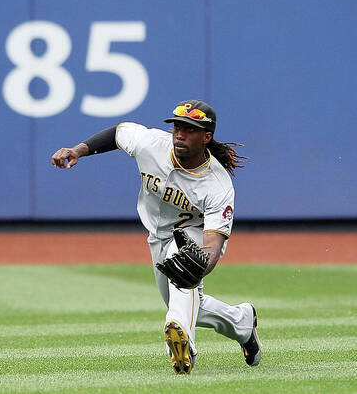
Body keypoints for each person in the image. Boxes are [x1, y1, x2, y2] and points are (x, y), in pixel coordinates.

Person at [51, 100, 261, 374]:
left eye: (190, 129)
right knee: (182, 299)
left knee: (182, 268)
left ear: (206, 137)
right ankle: (242, 321)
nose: (180, 134)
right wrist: (77, 150)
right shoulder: (151, 144)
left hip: (193, 237)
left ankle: (184, 345)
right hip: (156, 236)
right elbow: (118, 133)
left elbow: (213, 244)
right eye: (177, 127)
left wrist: (200, 265)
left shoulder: (217, 186)